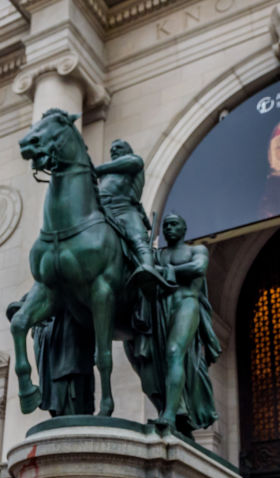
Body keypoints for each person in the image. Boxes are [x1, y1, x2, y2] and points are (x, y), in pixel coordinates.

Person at [148, 212, 222, 435]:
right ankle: (177, 409)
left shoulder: (196, 250)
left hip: (186, 304)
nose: (169, 229)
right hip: (162, 308)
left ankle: (169, 414)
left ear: (183, 229)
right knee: (159, 360)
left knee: (174, 352)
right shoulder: (158, 255)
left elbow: (197, 268)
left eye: (174, 225)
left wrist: (163, 271)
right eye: (166, 226)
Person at [95, 139, 155, 269]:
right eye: (111, 149)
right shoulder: (106, 174)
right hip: (104, 211)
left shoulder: (134, 160)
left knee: (138, 241)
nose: (114, 150)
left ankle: (149, 270)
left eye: (118, 147)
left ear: (128, 150)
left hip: (125, 210)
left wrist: (94, 169)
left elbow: (132, 162)